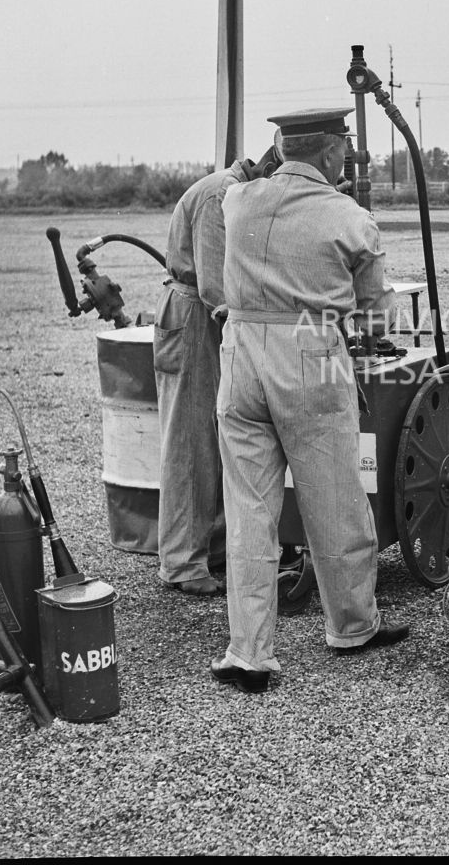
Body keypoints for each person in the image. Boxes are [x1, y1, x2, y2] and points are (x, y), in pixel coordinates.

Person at [209, 107, 405, 694]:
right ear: (331, 153)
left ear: (281, 147)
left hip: (240, 353)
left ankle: (248, 652)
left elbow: (238, 183)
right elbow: (376, 312)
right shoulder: (350, 217)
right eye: (343, 147)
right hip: (309, 354)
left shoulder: (237, 201)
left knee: (249, 510)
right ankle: (352, 625)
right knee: (336, 499)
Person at [153, 134, 282, 596]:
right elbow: (215, 286)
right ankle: (182, 564)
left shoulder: (237, 192)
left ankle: (213, 549)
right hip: (192, 319)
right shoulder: (219, 195)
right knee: (191, 443)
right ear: (270, 164)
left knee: (220, 434)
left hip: (206, 321)